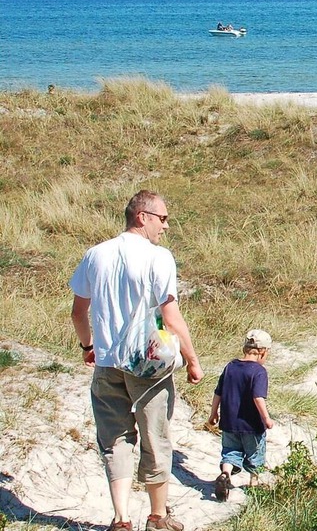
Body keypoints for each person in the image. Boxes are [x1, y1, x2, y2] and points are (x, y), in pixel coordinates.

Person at [71, 190, 203, 531]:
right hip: (147, 362)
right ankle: (157, 516)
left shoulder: (95, 255)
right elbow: (170, 317)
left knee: (114, 439)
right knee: (155, 436)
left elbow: (78, 311)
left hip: (107, 362)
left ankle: (121, 518)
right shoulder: (158, 257)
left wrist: (88, 345)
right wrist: (192, 359)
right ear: (142, 216)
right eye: (163, 218)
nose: (166, 226)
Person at [207, 329, 275, 502]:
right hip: (251, 424)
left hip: (229, 421)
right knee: (255, 455)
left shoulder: (230, 366)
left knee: (230, 452)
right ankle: (254, 484)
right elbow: (257, 397)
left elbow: (218, 392)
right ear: (263, 352)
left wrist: (213, 413)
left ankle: (225, 473)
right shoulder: (259, 371)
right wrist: (266, 418)